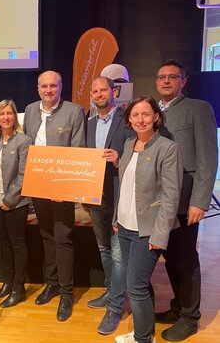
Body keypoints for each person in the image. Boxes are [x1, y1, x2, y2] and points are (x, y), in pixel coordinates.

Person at [154, 59, 218, 341]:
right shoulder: (152, 112)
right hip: (159, 201)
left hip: (184, 201)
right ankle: (178, 307)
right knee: (170, 259)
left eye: (172, 77)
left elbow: (208, 159)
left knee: (186, 260)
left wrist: (200, 201)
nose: (166, 81)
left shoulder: (198, 109)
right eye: (162, 77)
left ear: (184, 81)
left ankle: (191, 318)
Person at [114, 96, 183, 343]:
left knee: (136, 286)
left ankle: (143, 339)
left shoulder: (167, 148)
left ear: (155, 117)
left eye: (145, 114)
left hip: (147, 230)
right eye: (135, 115)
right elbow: (124, 185)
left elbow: (171, 196)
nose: (140, 119)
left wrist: (159, 235)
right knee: (140, 284)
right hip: (124, 226)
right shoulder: (129, 144)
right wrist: (116, 217)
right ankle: (146, 333)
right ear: (129, 119)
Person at [24, 70, 86, 322]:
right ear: (38, 88)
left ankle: (67, 293)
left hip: (62, 187)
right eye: (44, 86)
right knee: (46, 235)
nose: (48, 90)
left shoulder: (74, 111)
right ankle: (51, 284)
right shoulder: (29, 110)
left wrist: (68, 188)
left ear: (61, 87)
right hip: (37, 185)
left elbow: (79, 150)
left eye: (53, 86)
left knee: (63, 239)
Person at [84, 76, 133, 335]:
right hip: (95, 195)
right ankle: (110, 290)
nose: (99, 94)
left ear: (113, 91)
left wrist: (119, 158)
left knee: (117, 253)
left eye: (104, 89)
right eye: (95, 91)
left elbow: (140, 153)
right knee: (103, 247)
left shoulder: (127, 120)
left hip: (120, 195)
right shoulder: (88, 122)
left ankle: (114, 308)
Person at [0, 99, 32, 308]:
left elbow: (24, 174)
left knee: (18, 244)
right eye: (2, 114)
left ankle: (19, 289)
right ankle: (7, 283)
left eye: (9, 113)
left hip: (16, 202)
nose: (6, 117)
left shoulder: (24, 141)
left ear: (15, 116)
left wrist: (9, 200)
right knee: (4, 243)